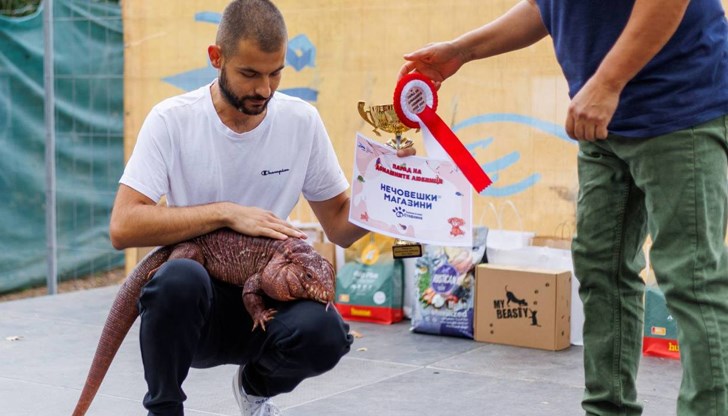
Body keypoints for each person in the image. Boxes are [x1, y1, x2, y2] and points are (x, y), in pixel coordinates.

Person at [400, 1, 728, 415]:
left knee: (691, 276)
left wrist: (607, 82)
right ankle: (607, 409)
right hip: (602, 124)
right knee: (600, 267)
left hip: (679, 108)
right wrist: (462, 50)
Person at [110, 1, 413, 415]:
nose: (264, 89)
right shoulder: (172, 120)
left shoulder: (301, 121)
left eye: (276, 73)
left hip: (271, 294)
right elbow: (123, 225)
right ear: (216, 58)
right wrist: (225, 212)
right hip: (199, 307)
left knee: (327, 332)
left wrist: (389, 189)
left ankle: (255, 387)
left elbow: (340, 226)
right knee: (176, 278)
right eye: (250, 74)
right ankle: (164, 408)